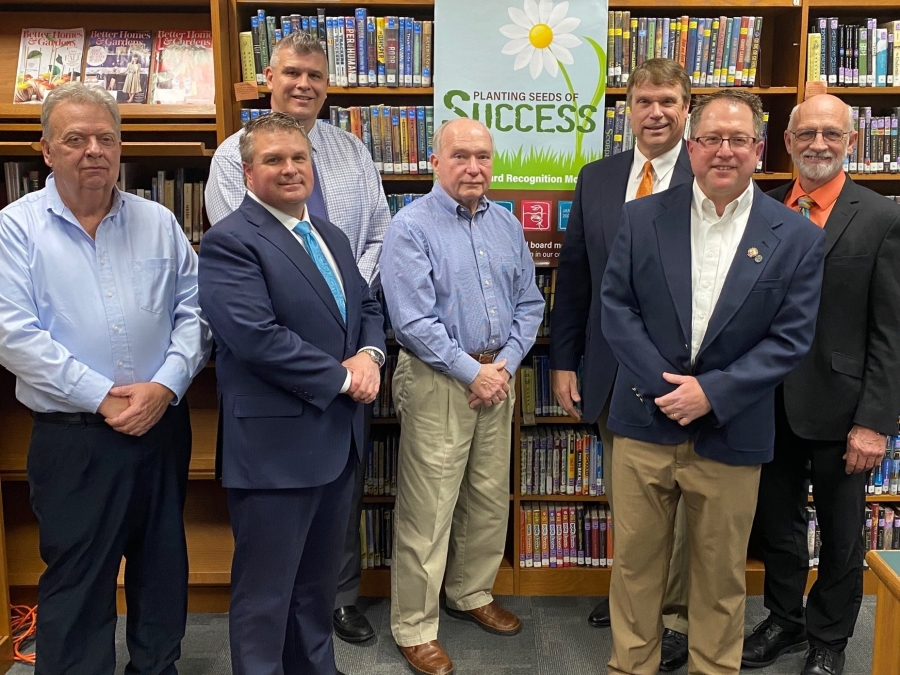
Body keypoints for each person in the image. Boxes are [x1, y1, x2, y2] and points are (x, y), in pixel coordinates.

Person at [600, 90, 825, 675]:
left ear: (759, 148)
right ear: (691, 145)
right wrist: (667, 388)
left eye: (738, 140)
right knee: (634, 571)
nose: (724, 152)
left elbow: (790, 340)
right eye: (711, 140)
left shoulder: (795, 237)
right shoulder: (643, 216)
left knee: (720, 578)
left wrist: (713, 392)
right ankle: (631, 667)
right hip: (645, 423)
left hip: (732, 432)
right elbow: (617, 310)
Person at [0, 82, 211, 675]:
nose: (93, 150)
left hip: (160, 426)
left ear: (120, 148)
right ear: (46, 150)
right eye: (75, 139)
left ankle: (156, 668)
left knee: (162, 567)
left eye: (106, 138)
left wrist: (167, 384)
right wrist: (102, 398)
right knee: (78, 577)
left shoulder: (159, 221)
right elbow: (13, 334)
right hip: (75, 437)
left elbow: (194, 310)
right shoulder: (14, 230)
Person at [206, 30, 390, 642]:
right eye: (291, 73)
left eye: (314, 75)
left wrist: (363, 347)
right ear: (269, 79)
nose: (303, 84)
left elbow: (373, 251)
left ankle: (324, 639)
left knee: (314, 580)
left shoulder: (348, 165)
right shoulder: (234, 197)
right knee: (267, 589)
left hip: (344, 398)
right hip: (282, 413)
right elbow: (254, 318)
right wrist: (343, 367)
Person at [742, 93, 900, 675]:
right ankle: (784, 620)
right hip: (767, 401)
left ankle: (829, 640)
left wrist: (876, 421)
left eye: (831, 134)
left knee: (840, 534)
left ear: (850, 142)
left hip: (843, 411)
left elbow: (892, 331)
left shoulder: (882, 217)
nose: (817, 144)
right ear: (785, 142)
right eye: (806, 134)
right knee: (776, 525)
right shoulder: (762, 208)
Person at [381, 118, 544, 675]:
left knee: (488, 495)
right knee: (429, 509)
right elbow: (412, 321)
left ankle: (471, 592)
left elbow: (531, 303)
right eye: (460, 156)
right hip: (438, 380)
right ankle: (414, 625)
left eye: (483, 157)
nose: (474, 167)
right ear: (435, 160)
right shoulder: (410, 227)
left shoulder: (506, 223)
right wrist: (470, 373)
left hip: (497, 374)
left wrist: (504, 366)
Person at [550, 57, 693, 670]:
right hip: (610, 369)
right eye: (643, 101)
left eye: (668, 101)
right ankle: (636, 600)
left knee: (686, 503)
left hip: (686, 373)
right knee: (629, 497)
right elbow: (575, 275)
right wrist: (564, 361)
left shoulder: (711, 171)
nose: (655, 112)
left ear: (686, 108)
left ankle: (676, 617)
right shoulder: (598, 177)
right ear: (627, 110)